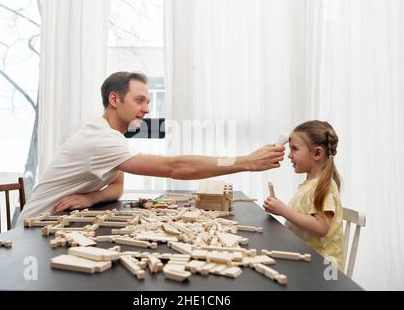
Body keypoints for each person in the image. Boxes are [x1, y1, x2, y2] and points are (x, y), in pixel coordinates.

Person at [17, 71, 285, 224]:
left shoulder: (115, 138)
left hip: (59, 220)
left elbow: (116, 188)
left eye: (147, 101)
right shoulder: (102, 139)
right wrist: (245, 162)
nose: (147, 108)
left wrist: (90, 198)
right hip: (34, 227)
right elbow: (174, 167)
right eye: (139, 100)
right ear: (115, 99)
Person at [263, 120, 344, 270]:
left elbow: (321, 227)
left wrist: (284, 211)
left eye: (294, 149)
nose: (289, 155)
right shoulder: (311, 185)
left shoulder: (323, 188)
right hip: (304, 260)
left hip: (320, 270)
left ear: (317, 153)